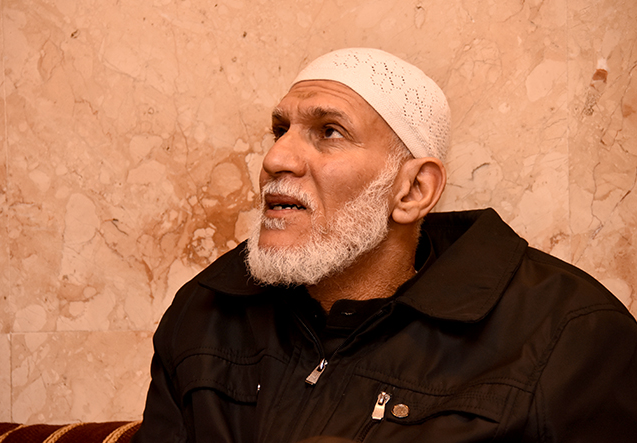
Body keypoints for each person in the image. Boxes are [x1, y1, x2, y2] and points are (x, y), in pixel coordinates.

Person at [131, 48, 637, 443]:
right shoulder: (205, 311)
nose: (276, 158)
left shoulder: (572, 338)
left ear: (412, 190)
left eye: (329, 132)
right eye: (281, 130)